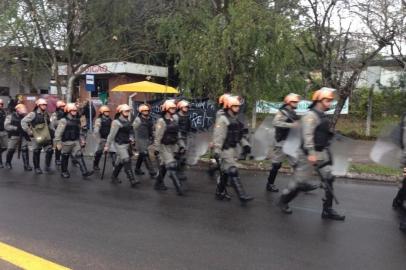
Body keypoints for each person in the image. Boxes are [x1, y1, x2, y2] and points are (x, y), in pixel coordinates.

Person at [278, 88, 345, 221]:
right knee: (300, 183)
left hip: (321, 152)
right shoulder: (310, 116)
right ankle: (283, 200)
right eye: (327, 100)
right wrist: (310, 152)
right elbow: (307, 135)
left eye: (331, 101)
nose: (330, 103)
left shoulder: (322, 115)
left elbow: (321, 132)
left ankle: (327, 210)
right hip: (308, 154)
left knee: (329, 177)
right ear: (319, 101)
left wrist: (333, 136)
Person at [266, 93, 317, 192]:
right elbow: (275, 123)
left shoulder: (292, 112)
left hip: (290, 143)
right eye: (294, 102)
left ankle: (302, 184)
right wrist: (291, 125)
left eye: (297, 102)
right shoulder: (283, 112)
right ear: (289, 102)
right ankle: (270, 184)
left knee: (297, 164)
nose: (296, 103)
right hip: (281, 143)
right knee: (276, 165)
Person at [212, 96, 253, 203]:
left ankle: (219, 192)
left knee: (225, 173)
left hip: (232, 149)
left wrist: (245, 145)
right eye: (234, 106)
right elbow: (218, 136)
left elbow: (239, 135)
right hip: (225, 149)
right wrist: (216, 150)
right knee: (232, 170)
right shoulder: (222, 119)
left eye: (238, 106)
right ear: (228, 106)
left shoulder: (235, 118)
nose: (237, 108)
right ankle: (242, 195)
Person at [153, 99, 184, 195]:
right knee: (171, 165)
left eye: (174, 108)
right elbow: (158, 136)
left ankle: (158, 183)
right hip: (164, 147)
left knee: (164, 166)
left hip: (173, 146)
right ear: (166, 109)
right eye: (171, 108)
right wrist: (156, 148)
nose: (173, 110)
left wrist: (181, 145)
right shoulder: (161, 121)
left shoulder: (174, 119)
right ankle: (179, 188)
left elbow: (178, 134)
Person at [54, 103, 93, 179]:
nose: (75, 112)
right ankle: (64, 171)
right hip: (66, 142)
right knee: (65, 156)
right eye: (73, 111)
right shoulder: (63, 121)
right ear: (68, 111)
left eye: (75, 110)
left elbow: (80, 132)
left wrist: (82, 140)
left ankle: (84, 172)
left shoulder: (77, 120)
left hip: (75, 142)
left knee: (79, 155)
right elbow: (58, 133)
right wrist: (58, 143)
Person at [104, 104, 139, 188]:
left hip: (127, 144)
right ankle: (132, 180)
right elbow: (111, 135)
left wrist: (131, 138)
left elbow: (130, 131)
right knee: (126, 160)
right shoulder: (116, 122)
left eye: (128, 111)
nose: (127, 112)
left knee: (120, 161)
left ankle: (114, 177)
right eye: (126, 111)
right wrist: (107, 146)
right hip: (119, 144)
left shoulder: (128, 121)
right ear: (120, 112)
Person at [21, 98, 53, 174]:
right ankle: (37, 167)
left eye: (45, 105)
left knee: (50, 150)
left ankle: (47, 166)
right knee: (36, 151)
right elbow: (23, 121)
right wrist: (29, 131)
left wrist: (53, 132)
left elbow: (50, 124)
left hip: (45, 135)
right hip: (36, 136)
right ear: (38, 105)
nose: (45, 106)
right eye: (43, 104)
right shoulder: (33, 114)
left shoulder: (46, 114)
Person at [4, 104, 32, 170]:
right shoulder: (10, 116)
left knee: (25, 149)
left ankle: (26, 165)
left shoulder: (25, 116)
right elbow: (6, 126)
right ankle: (8, 163)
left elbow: (29, 124)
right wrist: (15, 128)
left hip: (23, 135)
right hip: (14, 135)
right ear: (17, 110)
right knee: (11, 149)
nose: (23, 113)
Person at [132, 104, 157, 178]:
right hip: (140, 139)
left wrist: (152, 137)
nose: (146, 112)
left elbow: (151, 129)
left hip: (146, 139)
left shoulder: (149, 119)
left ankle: (137, 169)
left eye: (147, 110)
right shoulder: (138, 119)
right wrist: (134, 140)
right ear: (141, 111)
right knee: (145, 154)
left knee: (141, 154)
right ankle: (152, 172)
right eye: (144, 111)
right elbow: (134, 128)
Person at [93, 105, 116, 171]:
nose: (107, 113)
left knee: (113, 152)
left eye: (108, 112)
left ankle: (115, 166)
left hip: (109, 139)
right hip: (102, 139)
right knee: (99, 152)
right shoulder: (99, 120)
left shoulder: (110, 119)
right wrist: (98, 140)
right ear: (102, 112)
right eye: (106, 112)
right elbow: (96, 130)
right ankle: (95, 164)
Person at [176, 100, 192, 181]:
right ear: (180, 107)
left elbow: (189, 128)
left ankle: (179, 171)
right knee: (180, 156)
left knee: (182, 156)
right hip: (178, 138)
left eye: (187, 107)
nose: (186, 108)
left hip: (185, 138)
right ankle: (178, 173)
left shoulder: (187, 117)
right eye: (185, 107)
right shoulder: (176, 117)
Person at [50, 100, 66, 166]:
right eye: (62, 106)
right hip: (58, 132)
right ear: (59, 107)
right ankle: (57, 159)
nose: (63, 107)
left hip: (65, 132)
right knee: (58, 147)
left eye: (64, 106)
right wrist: (56, 132)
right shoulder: (55, 114)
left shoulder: (65, 113)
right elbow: (52, 124)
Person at [0, 99, 8, 168]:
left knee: (5, 147)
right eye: (0, 104)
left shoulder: (4, 112)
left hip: (4, 132)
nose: (1, 105)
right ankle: (0, 162)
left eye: (2, 104)